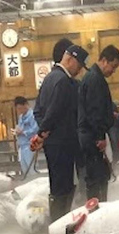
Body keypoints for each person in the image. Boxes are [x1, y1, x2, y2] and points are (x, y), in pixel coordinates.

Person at [32, 44, 88, 221]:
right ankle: (59, 224)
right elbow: (54, 112)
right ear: (70, 59)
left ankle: (56, 223)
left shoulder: (49, 78)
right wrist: (43, 133)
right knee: (63, 186)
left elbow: (37, 111)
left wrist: (45, 134)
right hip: (63, 143)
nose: (79, 71)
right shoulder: (63, 81)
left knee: (56, 184)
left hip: (52, 143)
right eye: (79, 66)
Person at [78, 44, 119, 201]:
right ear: (104, 60)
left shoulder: (94, 78)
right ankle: (96, 212)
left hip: (90, 136)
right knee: (97, 180)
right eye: (113, 66)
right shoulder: (95, 79)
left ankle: (97, 208)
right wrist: (99, 137)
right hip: (92, 138)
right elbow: (94, 111)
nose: (113, 71)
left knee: (99, 177)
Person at [13, 97, 39, 175]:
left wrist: (23, 132)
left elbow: (36, 129)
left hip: (30, 145)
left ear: (26, 105)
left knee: (32, 169)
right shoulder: (21, 117)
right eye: (18, 109)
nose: (19, 111)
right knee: (25, 169)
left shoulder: (32, 115)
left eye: (20, 108)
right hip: (22, 145)